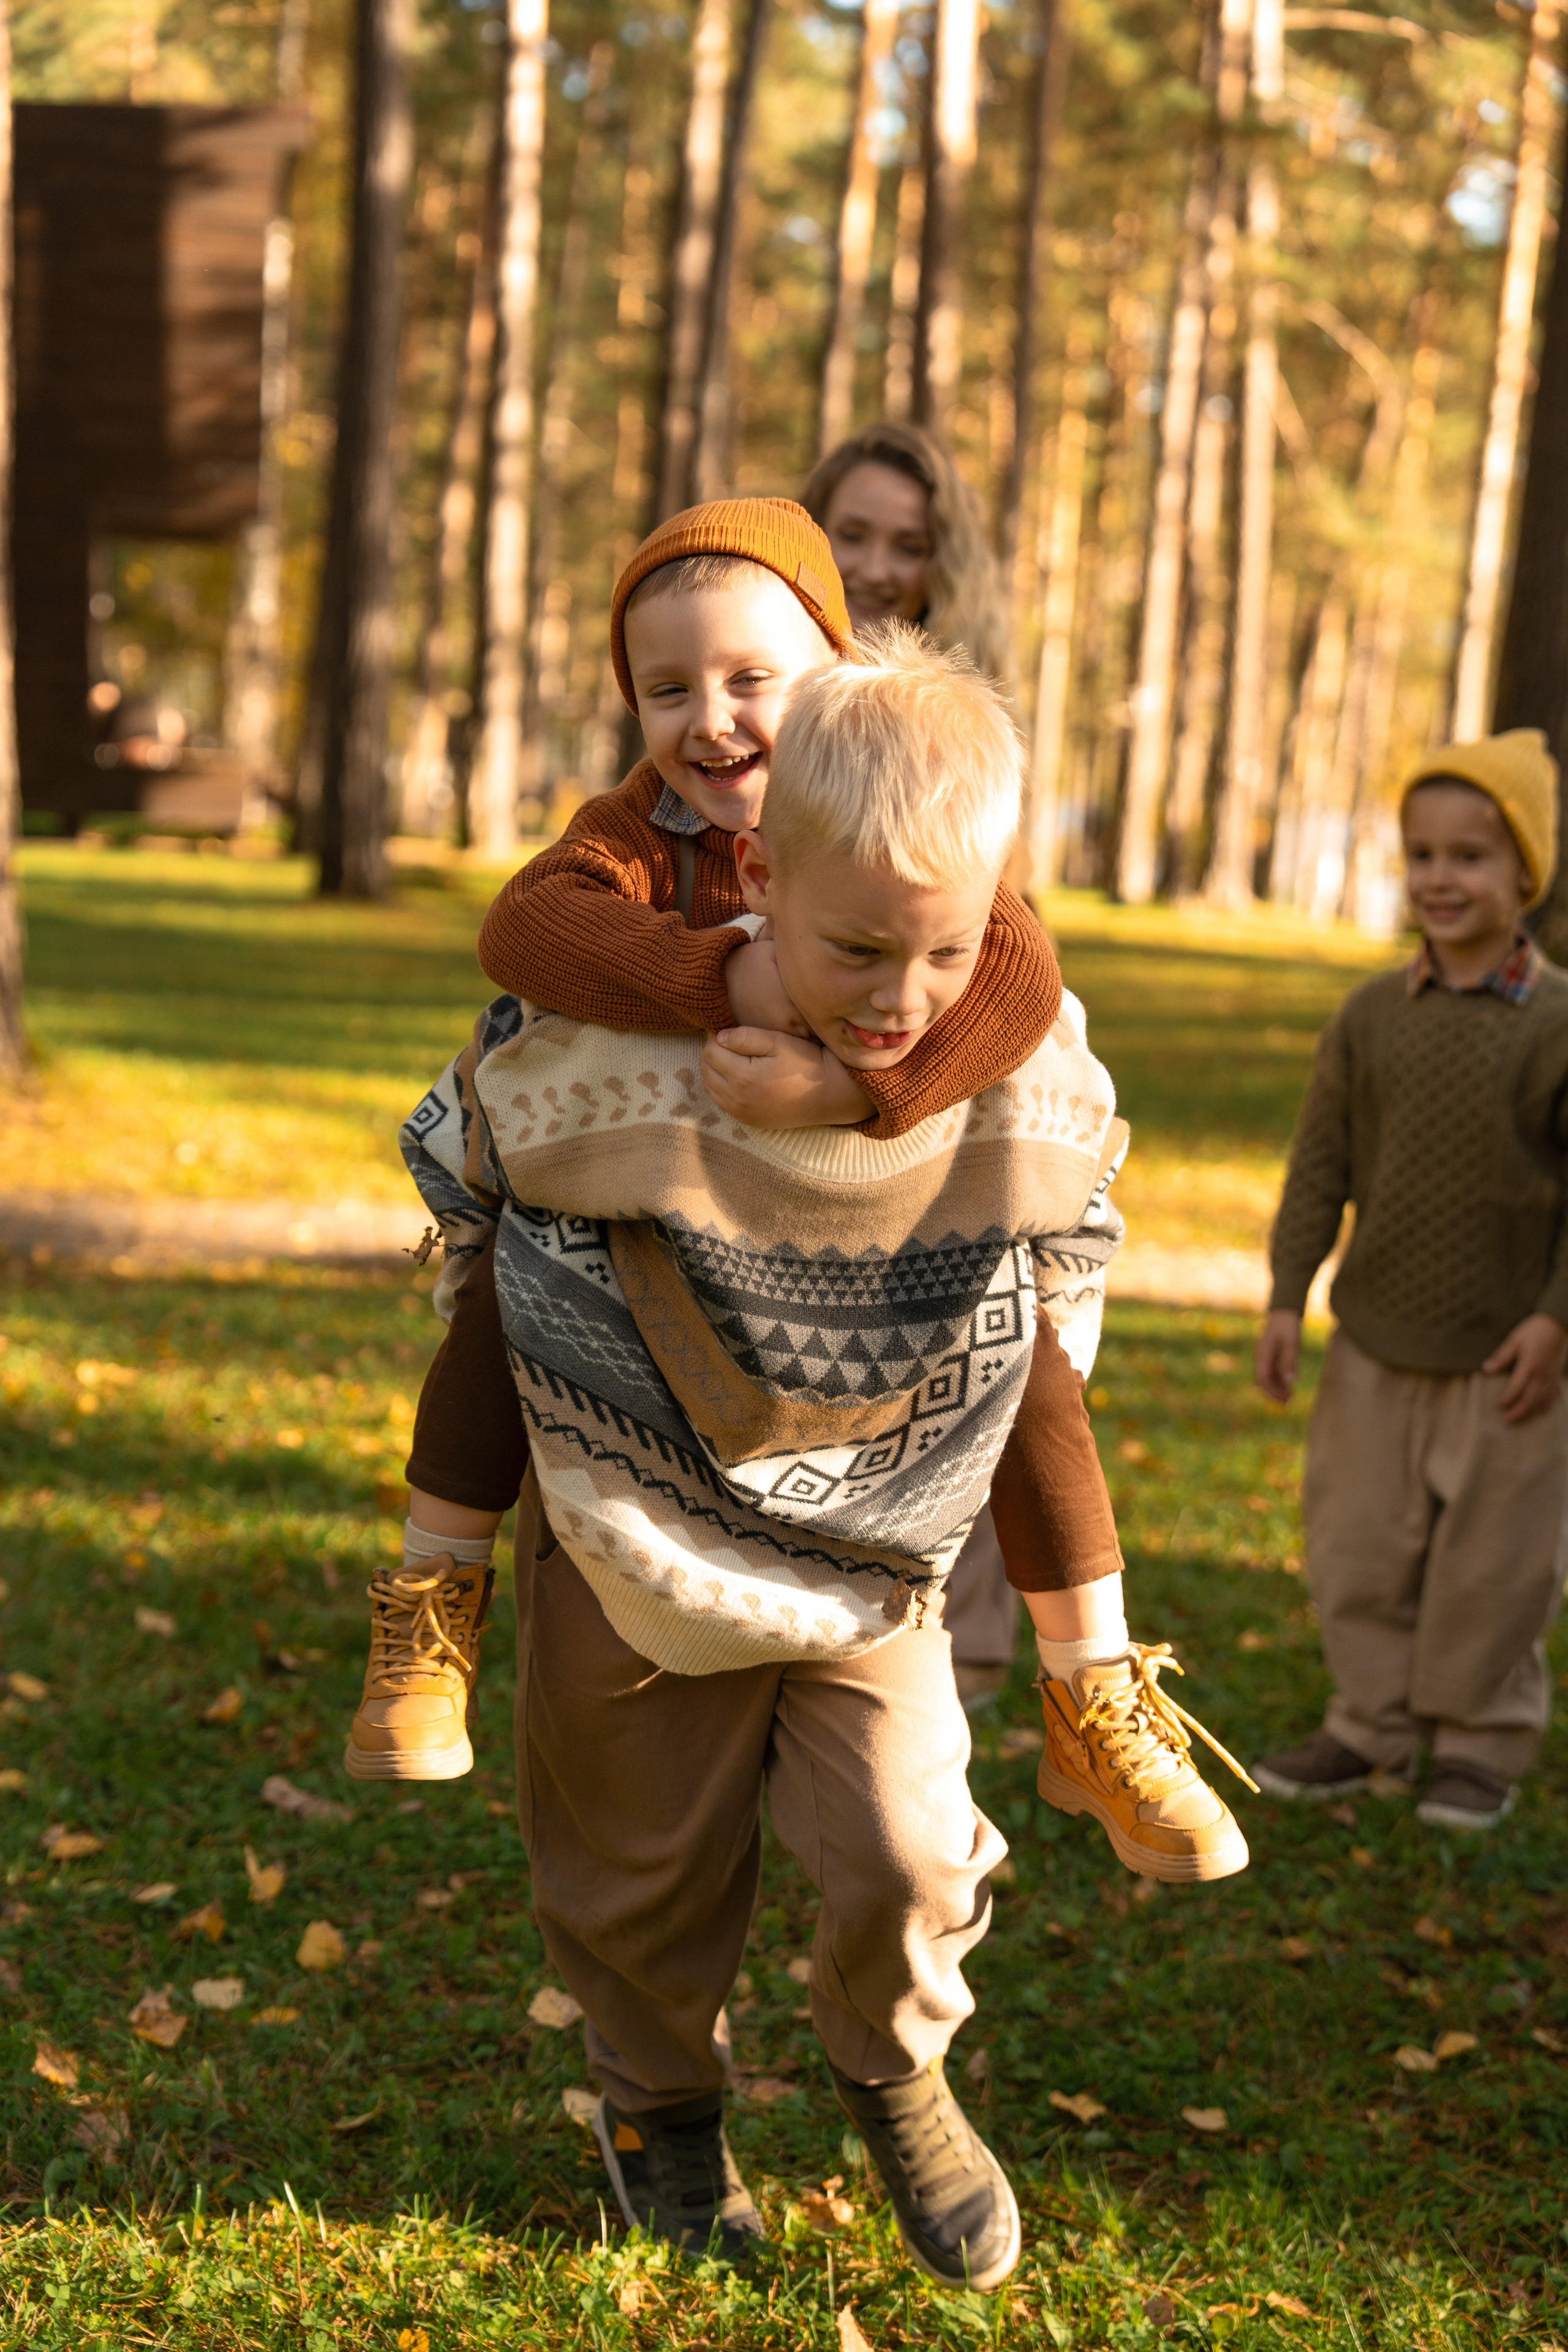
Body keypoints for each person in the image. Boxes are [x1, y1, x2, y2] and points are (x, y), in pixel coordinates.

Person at [390, 630, 1249, 2286]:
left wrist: (873, 1095)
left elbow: (1025, 1037)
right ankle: (659, 2107)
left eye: (940, 956)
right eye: (858, 951)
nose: (902, 995)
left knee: (908, 1843)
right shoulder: (617, 898)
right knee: (635, 1858)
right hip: (633, 1510)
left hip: (875, 1536)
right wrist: (718, 1012)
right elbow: (516, 1030)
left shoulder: (965, 958)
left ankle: (893, 2068)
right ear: (766, 879)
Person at [345, 496, 1250, 1888]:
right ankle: (436, 1585)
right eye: (666, 688)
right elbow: (526, 926)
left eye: (749, 679)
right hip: (658, 1245)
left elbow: (1018, 977)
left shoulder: (904, 808)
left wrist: (858, 1090)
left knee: (1018, 1356)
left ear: (834, 670)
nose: (709, 721)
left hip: (880, 1246)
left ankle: (1092, 1680)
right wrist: (733, 974)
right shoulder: (638, 835)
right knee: (518, 1284)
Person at [1252, 731, 1568, 1832]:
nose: (1440, 878)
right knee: (1359, 1544)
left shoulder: (1559, 1026)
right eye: (1422, 854)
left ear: (1526, 873)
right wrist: (1288, 1293)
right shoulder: (1370, 1017)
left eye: (1470, 857)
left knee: (1496, 1562)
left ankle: (1478, 1739)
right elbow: (1320, 1165)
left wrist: (1555, 1320)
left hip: (1511, 1358)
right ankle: (1372, 1723)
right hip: (1377, 1340)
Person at [802, 423, 1017, 1705]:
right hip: (764, 1093)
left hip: (926, 1086)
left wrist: (875, 1087)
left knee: (962, 1340)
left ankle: (963, 1639)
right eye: (854, 535)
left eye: (909, 543)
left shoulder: (961, 724)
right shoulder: (751, 702)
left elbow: (1014, 957)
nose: (878, 568)